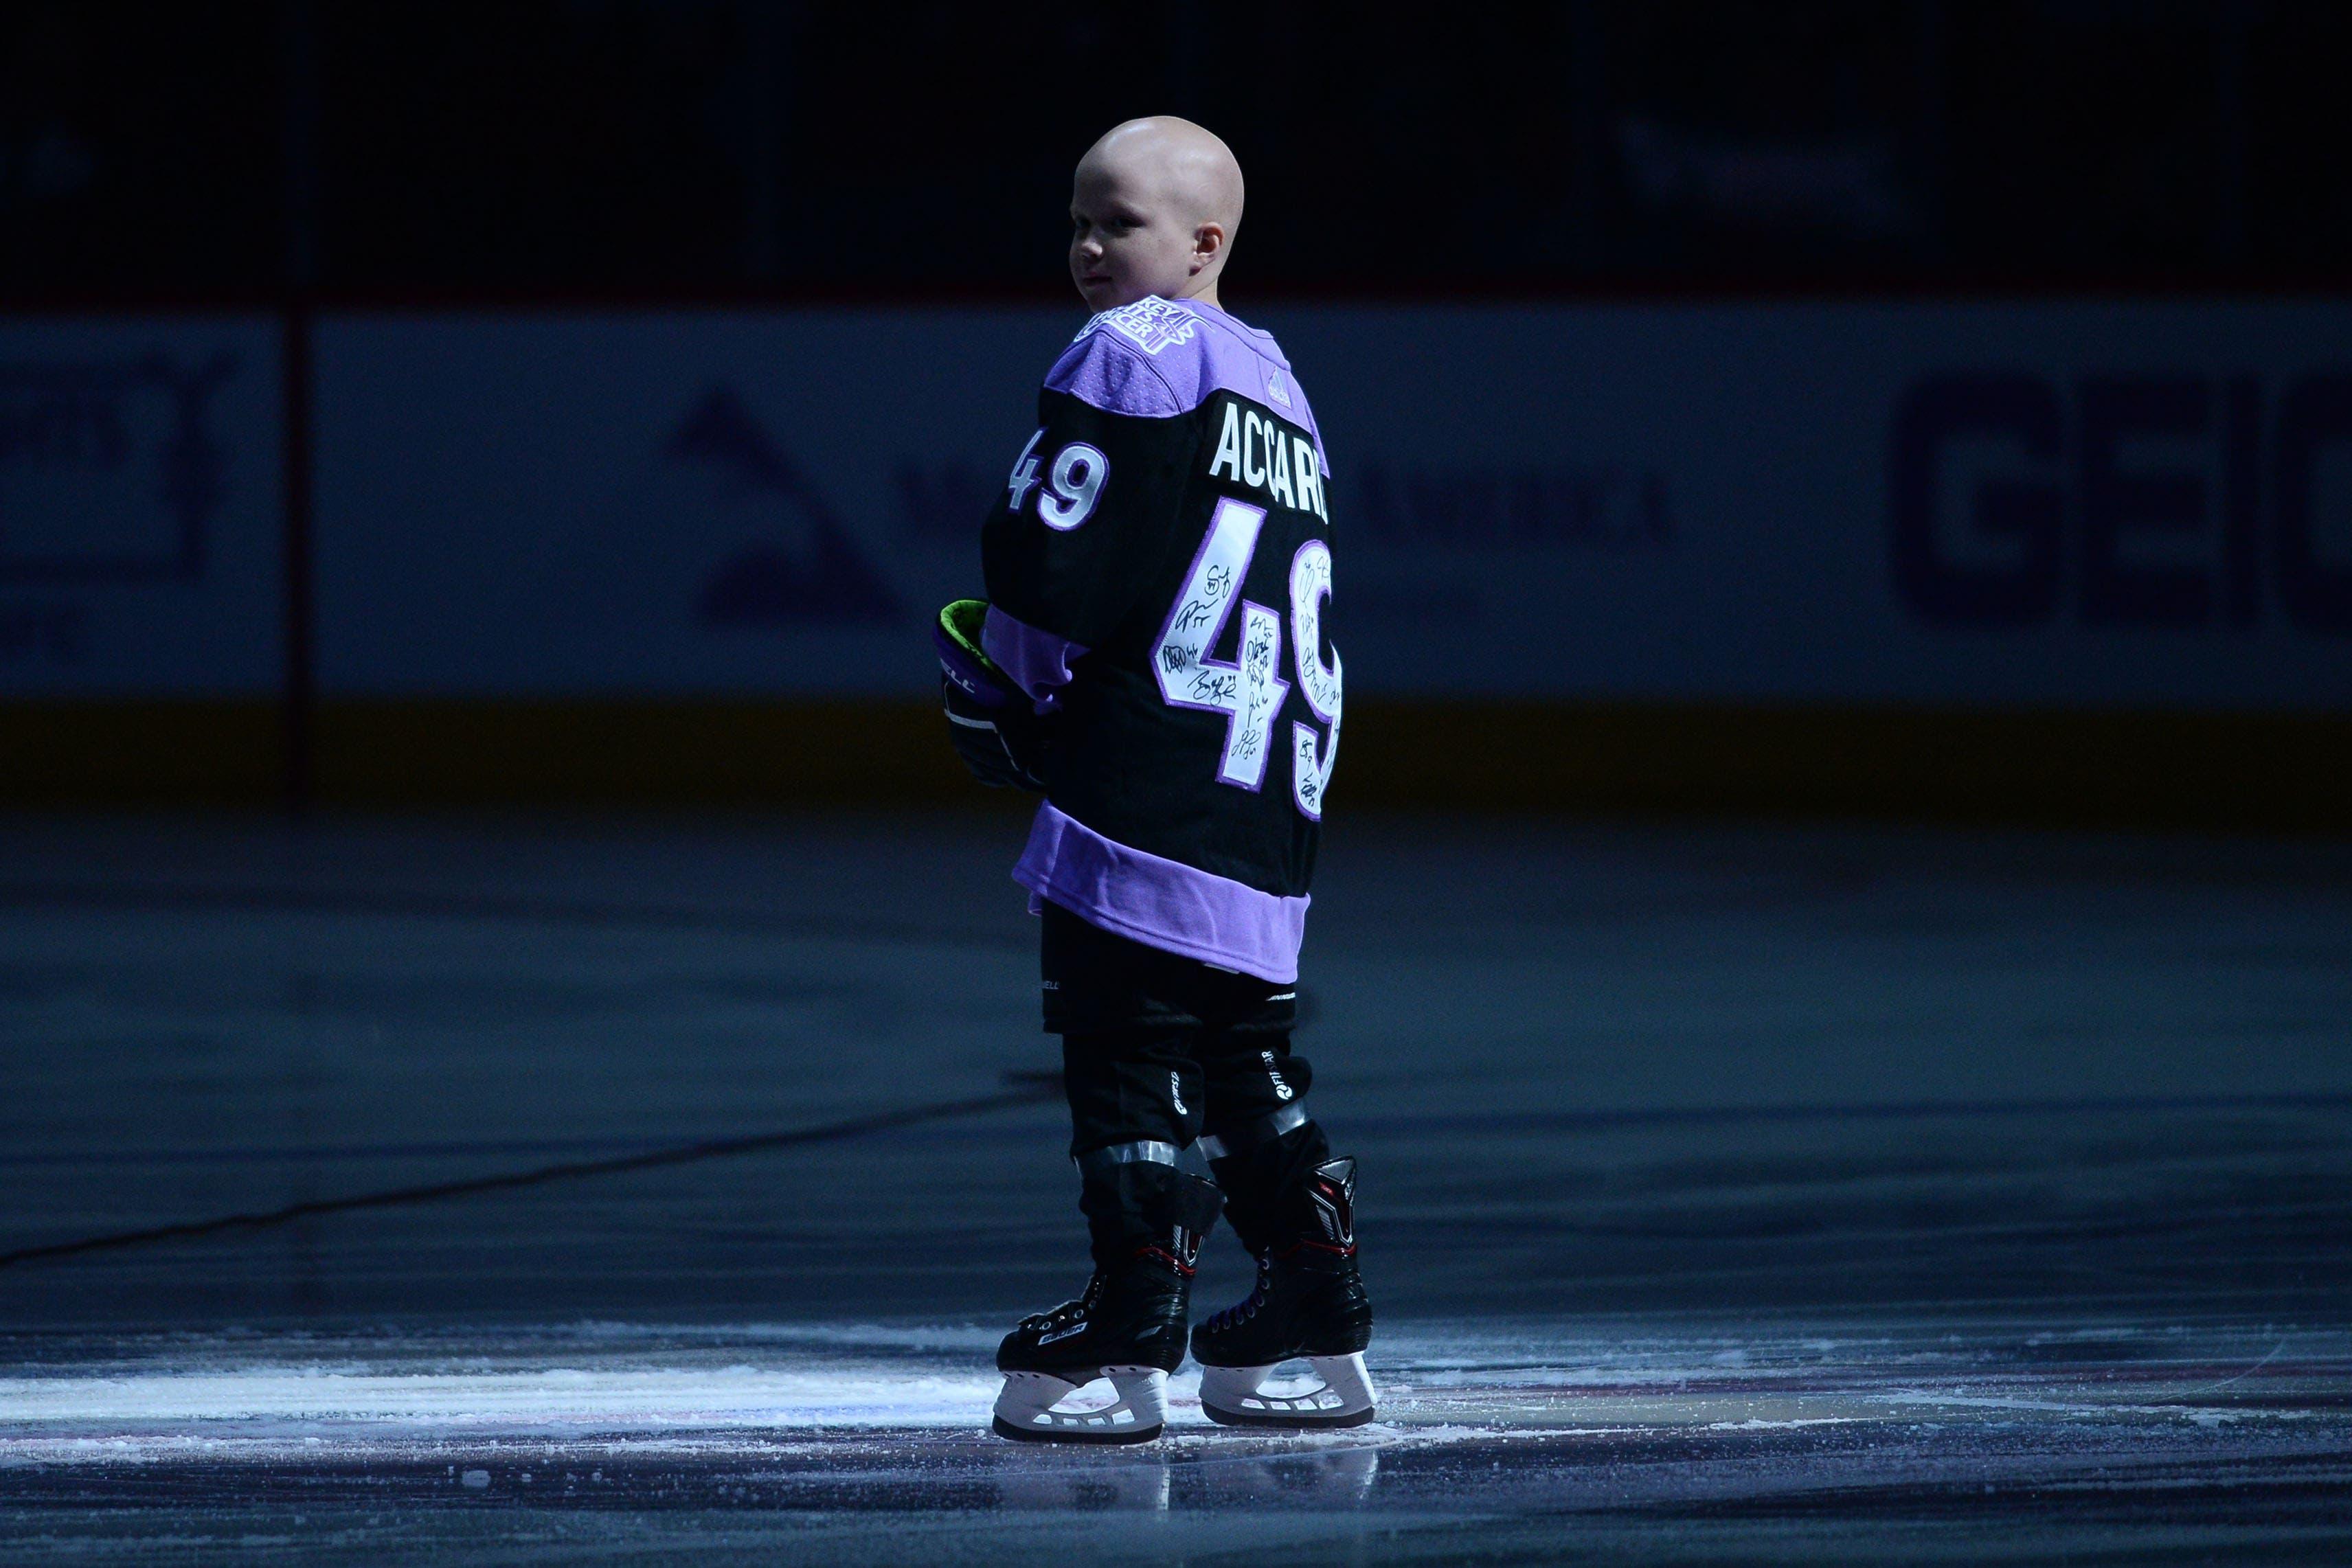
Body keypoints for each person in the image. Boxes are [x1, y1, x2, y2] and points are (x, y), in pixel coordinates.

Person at [932, 116, 1371, 1444]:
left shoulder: (1136, 349)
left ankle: (1132, 1318)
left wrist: (1001, 688)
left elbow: (1052, 566)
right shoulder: (1280, 384)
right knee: (1245, 1057)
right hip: (1265, 790)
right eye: (1076, 217)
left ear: (1204, 242)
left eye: (1116, 223)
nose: (1085, 246)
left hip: (1145, 777)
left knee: (1127, 1054)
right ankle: (1316, 1296)